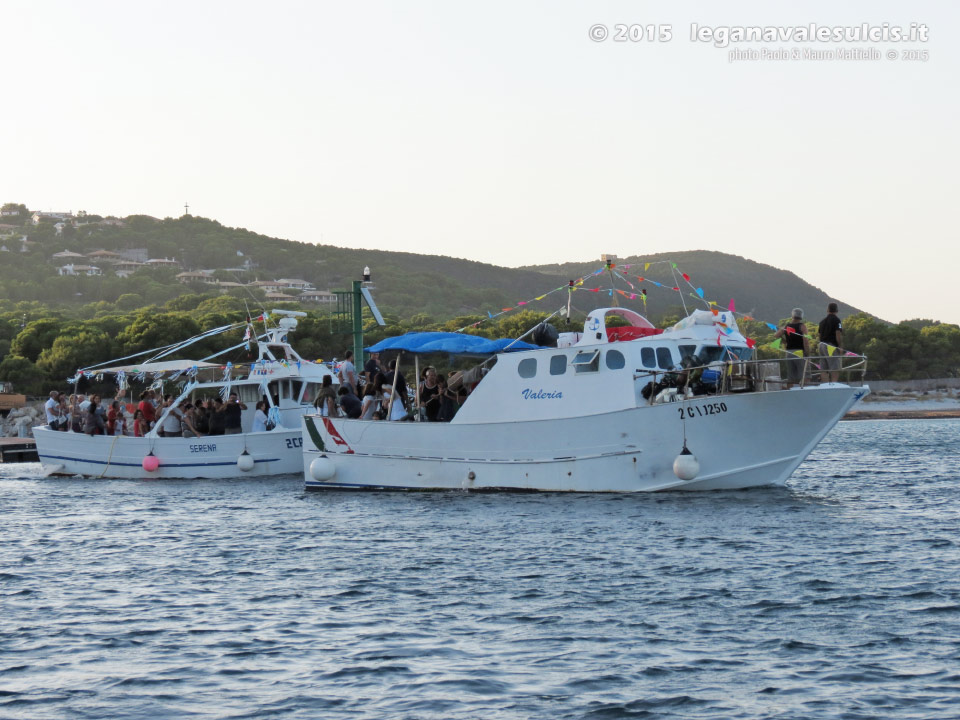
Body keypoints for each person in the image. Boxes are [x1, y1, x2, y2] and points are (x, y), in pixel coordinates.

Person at [773, 308, 811, 389]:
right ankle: (805, 391)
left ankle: (790, 391)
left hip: (789, 353)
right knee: (805, 375)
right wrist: (807, 353)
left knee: (791, 376)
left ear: (792, 315)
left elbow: (776, 335)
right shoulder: (802, 326)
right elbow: (806, 341)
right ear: (801, 316)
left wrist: (784, 341)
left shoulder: (786, 326)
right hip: (799, 352)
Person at [818, 302, 845, 383]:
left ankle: (825, 385)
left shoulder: (822, 322)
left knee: (823, 368)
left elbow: (819, 335)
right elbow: (838, 333)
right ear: (837, 310)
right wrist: (840, 346)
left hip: (821, 344)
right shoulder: (837, 320)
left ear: (827, 310)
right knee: (835, 367)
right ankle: (834, 384)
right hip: (831, 346)